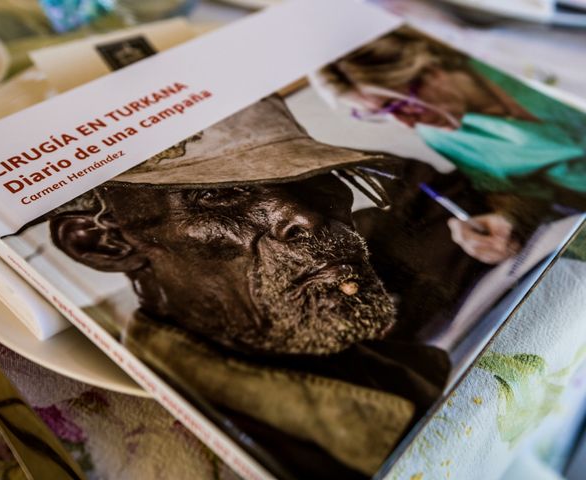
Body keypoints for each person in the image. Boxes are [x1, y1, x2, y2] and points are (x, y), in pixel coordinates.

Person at [43, 96, 543, 479]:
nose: (304, 215)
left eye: (310, 178)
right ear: (103, 245)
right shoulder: (201, 434)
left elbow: (435, 189)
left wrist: (509, 215)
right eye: (222, 197)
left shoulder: (333, 278)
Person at [312, 26, 586, 199]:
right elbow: (514, 193)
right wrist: (507, 221)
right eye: (379, 114)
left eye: (397, 105)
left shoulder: (512, 58)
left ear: (431, 71)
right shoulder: (441, 138)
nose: (408, 124)